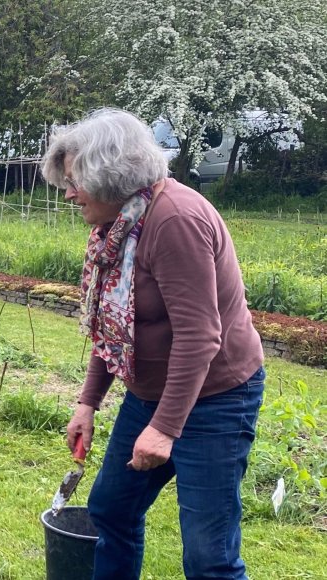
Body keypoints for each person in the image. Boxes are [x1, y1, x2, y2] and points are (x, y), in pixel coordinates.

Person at [41, 108, 265, 580]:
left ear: (110, 176)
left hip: (217, 399)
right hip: (150, 393)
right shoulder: (119, 226)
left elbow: (200, 336)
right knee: (111, 512)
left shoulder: (174, 221)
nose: (67, 193)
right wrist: (88, 403)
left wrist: (164, 429)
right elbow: (113, 325)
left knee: (209, 557)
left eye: (74, 181)